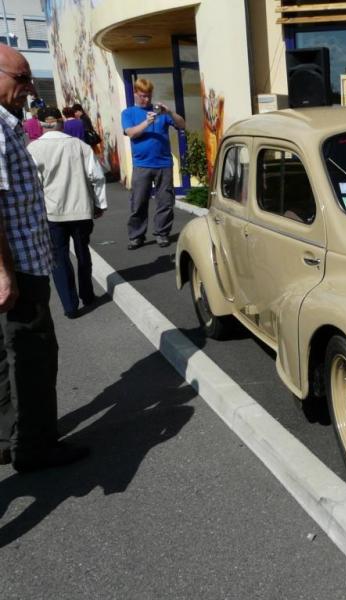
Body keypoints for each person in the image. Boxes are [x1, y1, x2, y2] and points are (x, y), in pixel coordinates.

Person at [0, 45, 89, 472]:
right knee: (34, 357)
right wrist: (4, 273)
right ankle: (35, 447)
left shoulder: (9, 122)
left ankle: (10, 437)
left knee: (8, 354)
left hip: (18, 263)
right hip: (18, 267)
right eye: (21, 79)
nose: (29, 88)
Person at [27, 106, 106, 318]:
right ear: (61, 122)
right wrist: (99, 204)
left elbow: (33, 184)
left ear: (40, 124)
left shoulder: (34, 149)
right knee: (83, 252)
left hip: (52, 212)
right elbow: (96, 177)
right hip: (80, 209)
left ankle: (70, 306)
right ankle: (88, 294)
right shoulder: (79, 145)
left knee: (59, 258)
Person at [121, 78, 185, 249]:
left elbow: (182, 125)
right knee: (139, 202)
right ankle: (136, 236)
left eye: (148, 96)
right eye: (142, 96)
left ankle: (162, 233)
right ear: (135, 94)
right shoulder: (128, 113)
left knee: (165, 201)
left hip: (163, 164)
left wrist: (170, 113)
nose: (146, 100)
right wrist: (146, 122)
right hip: (142, 164)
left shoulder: (161, 113)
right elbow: (131, 133)